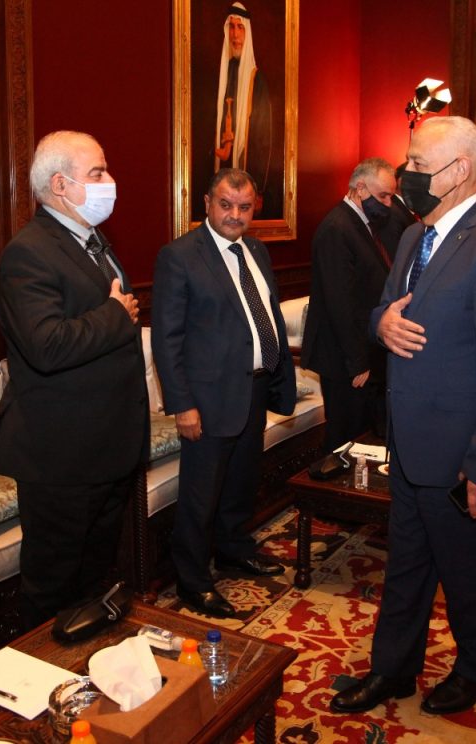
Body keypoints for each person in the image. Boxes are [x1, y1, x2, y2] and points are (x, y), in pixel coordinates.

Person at [329, 117, 476, 716]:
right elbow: (382, 311)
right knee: (407, 567)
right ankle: (393, 670)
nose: (406, 174)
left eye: (418, 164)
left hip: (461, 455)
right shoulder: (414, 238)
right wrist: (382, 325)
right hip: (409, 443)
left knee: (467, 573)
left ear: (459, 170)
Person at [0, 130, 148, 629]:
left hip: (105, 448)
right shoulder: (28, 252)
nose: (110, 181)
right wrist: (114, 315)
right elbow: (46, 345)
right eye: (97, 172)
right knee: (52, 589)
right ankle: (42, 670)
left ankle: (85, 662)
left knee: (92, 581)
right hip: (60, 456)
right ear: (60, 185)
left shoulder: (93, 242)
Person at [152, 168, 296, 619]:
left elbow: (263, 313)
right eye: (226, 205)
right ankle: (193, 580)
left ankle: (233, 550)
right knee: (202, 495)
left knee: (240, 483)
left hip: (254, 388)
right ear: (207, 204)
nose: (235, 215)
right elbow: (167, 339)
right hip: (208, 399)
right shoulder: (180, 256)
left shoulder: (256, 250)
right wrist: (182, 404)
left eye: (244, 207)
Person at [301, 157, 396, 453]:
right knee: (345, 440)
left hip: (360, 353)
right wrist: (358, 362)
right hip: (344, 360)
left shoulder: (360, 224)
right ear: (360, 188)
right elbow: (339, 301)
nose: (389, 204)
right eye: (383, 196)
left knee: (362, 437)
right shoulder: (337, 228)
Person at [212, 2, 275, 216]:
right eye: (231, 27)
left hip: (247, 179)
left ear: (247, 32)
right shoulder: (223, 75)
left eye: (240, 27)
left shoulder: (257, 82)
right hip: (224, 177)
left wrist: (258, 189)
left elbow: (263, 140)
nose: (235, 34)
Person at [376, 161, 418, 260]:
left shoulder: (412, 209)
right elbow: (394, 256)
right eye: (417, 180)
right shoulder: (390, 212)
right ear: (401, 182)